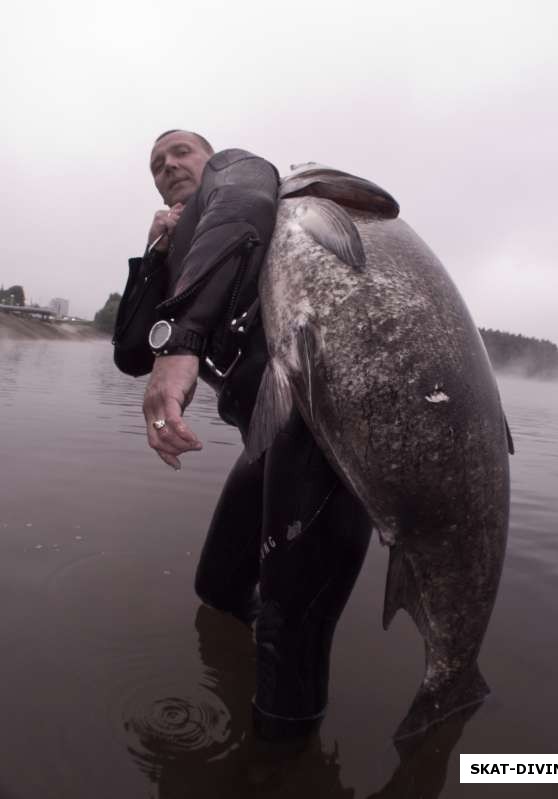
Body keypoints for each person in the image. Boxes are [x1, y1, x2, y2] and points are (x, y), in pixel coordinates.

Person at [127, 130, 372, 741]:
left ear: (209, 159)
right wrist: (154, 255)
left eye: (180, 152)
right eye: (157, 164)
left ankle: (282, 755)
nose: (169, 165)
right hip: (267, 440)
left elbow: (244, 205)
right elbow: (132, 352)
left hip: (320, 426)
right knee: (217, 587)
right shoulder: (185, 244)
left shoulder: (240, 180)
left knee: (291, 637)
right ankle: (254, 675)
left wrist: (182, 344)